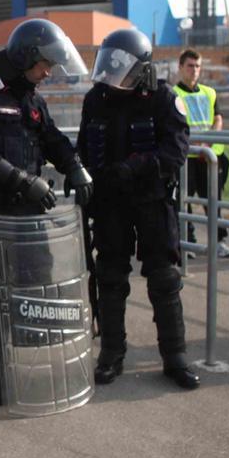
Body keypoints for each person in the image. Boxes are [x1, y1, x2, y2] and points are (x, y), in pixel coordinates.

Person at [0, 18, 94, 404]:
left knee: (29, 291)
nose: (47, 73)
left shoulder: (31, 97)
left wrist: (73, 166)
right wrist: (22, 181)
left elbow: (52, 138)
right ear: (26, 56)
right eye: (44, 64)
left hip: (25, 214)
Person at [78, 28, 200, 390]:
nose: (114, 74)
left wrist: (135, 167)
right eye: (110, 64)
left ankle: (174, 357)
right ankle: (111, 355)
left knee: (164, 279)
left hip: (151, 202)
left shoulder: (162, 99)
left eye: (121, 65)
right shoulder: (96, 99)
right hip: (110, 204)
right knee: (110, 278)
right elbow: (85, 145)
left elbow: (175, 152)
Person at [173, 49, 229, 259]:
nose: (194, 70)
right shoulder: (174, 94)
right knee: (183, 201)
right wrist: (194, 143)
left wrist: (209, 141)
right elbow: (174, 124)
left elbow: (218, 117)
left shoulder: (209, 92)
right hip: (186, 157)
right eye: (190, 66)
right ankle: (187, 242)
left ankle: (219, 241)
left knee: (213, 200)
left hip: (209, 155)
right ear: (180, 67)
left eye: (198, 66)